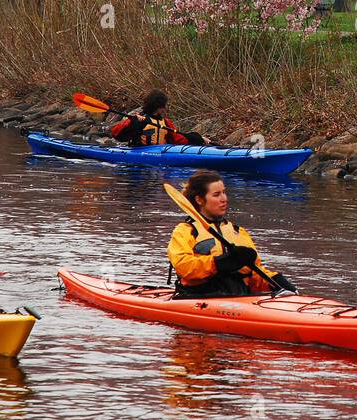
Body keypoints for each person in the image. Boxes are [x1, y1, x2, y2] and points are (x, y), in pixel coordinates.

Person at [167, 170, 297, 298]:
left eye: (224, 192)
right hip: (199, 296)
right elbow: (184, 267)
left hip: (239, 296)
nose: (224, 199)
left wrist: (275, 281)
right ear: (200, 200)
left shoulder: (238, 232)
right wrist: (219, 263)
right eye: (216, 195)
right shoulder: (185, 231)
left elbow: (253, 273)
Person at [110, 90, 205, 146]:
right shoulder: (138, 118)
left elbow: (179, 139)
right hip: (138, 156)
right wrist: (133, 123)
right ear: (158, 106)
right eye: (163, 106)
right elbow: (115, 133)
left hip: (159, 153)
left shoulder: (166, 123)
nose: (165, 108)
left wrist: (198, 139)